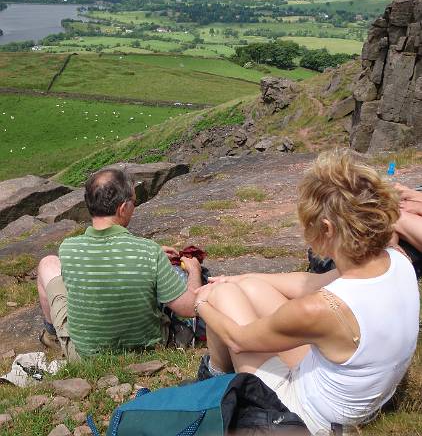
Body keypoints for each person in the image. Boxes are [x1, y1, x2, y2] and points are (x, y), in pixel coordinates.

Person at [194, 150, 420, 436]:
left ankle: (212, 377)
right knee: (248, 288)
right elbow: (314, 282)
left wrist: (203, 304)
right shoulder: (396, 259)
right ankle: (217, 369)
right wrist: (242, 276)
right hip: (361, 395)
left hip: (306, 416)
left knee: (222, 296)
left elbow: (237, 340)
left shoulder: (321, 309)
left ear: (327, 228)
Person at [37, 168, 202, 360]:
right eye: (134, 202)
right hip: (149, 348)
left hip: (84, 357)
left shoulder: (68, 249)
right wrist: (194, 271)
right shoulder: (148, 251)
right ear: (122, 208)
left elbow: (102, 264)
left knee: (47, 264)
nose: (135, 205)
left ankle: (52, 336)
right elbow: (190, 308)